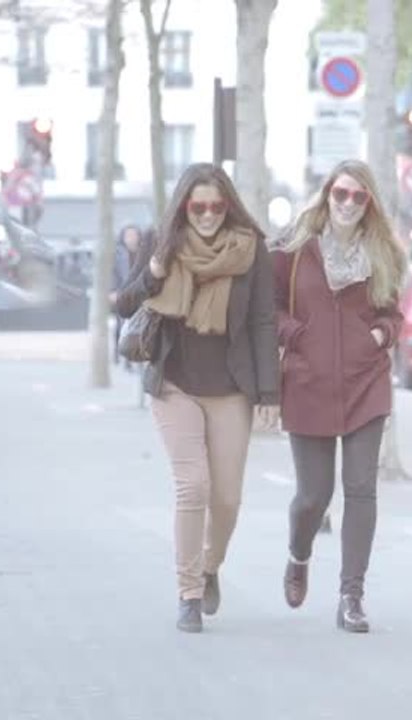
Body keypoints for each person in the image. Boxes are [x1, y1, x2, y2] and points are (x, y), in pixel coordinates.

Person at [114, 163, 280, 633]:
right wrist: (150, 273)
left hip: (231, 386)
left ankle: (209, 567)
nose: (207, 215)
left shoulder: (251, 250)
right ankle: (188, 591)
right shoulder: (162, 242)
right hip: (175, 383)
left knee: (226, 498)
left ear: (228, 207)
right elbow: (125, 304)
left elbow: (263, 322)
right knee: (193, 487)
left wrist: (271, 392)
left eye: (216, 206)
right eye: (198, 206)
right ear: (184, 206)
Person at [271, 159, 408, 633]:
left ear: (369, 203)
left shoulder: (385, 253)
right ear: (326, 194)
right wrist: (296, 334)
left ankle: (352, 596)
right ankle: (298, 554)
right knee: (314, 495)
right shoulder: (293, 247)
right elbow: (267, 308)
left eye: (358, 196)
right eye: (340, 194)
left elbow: (393, 314)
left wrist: (380, 337)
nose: (348, 203)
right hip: (307, 382)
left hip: (365, 382)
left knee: (360, 488)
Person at [110, 224, 144, 365]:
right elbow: (113, 273)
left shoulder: (143, 253)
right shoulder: (117, 254)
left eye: (133, 235)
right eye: (128, 235)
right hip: (123, 293)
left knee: (139, 324)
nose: (131, 238)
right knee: (121, 324)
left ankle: (134, 353)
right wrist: (112, 291)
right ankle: (119, 352)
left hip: (140, 293)